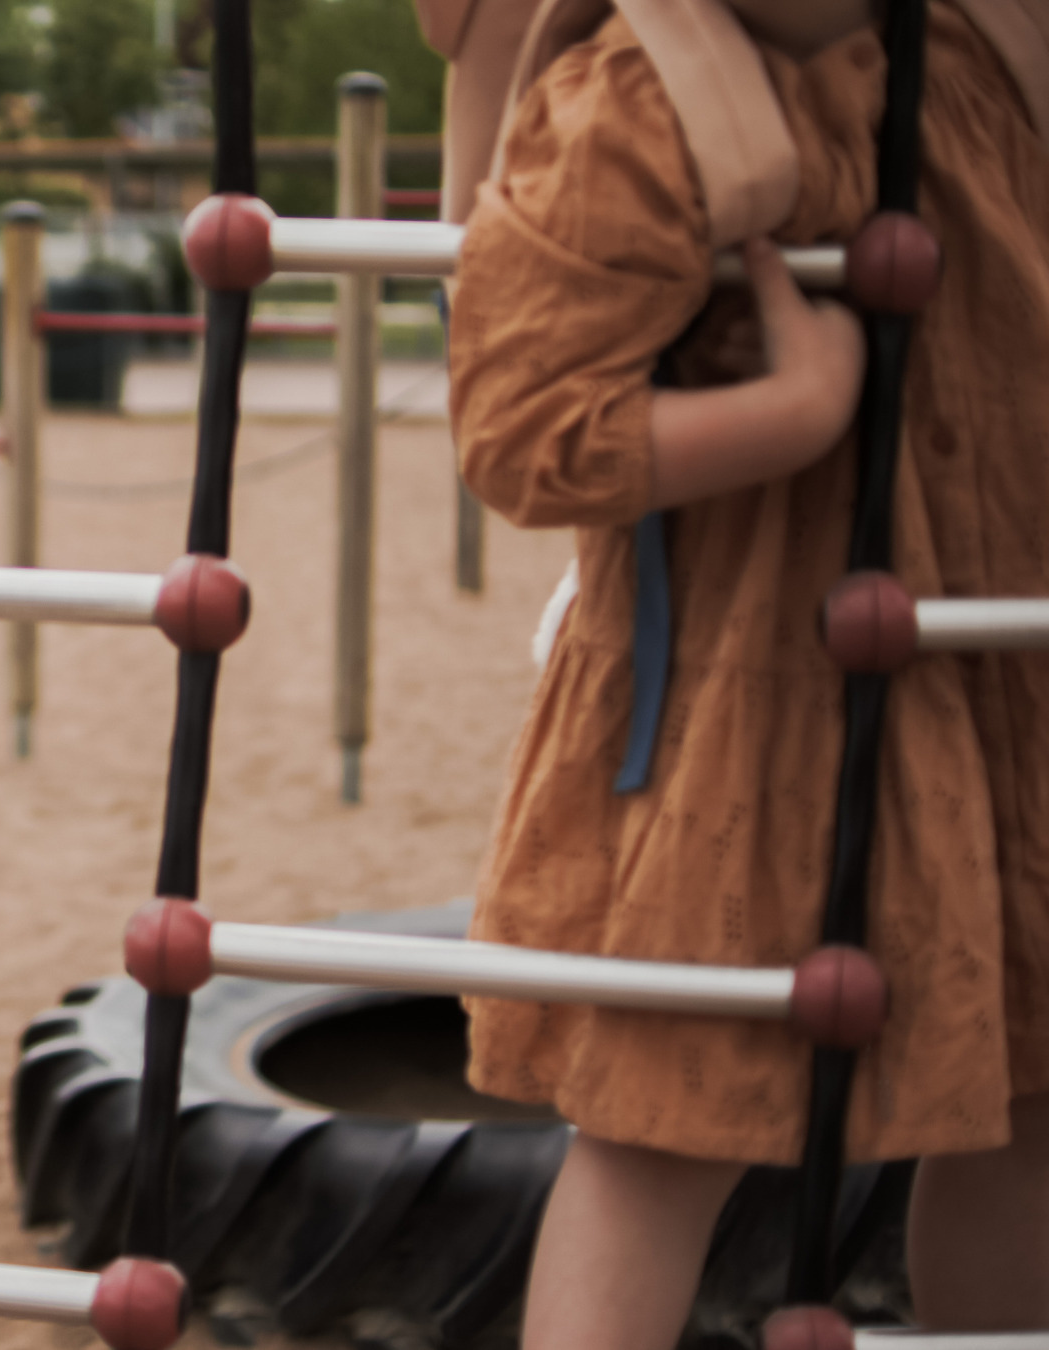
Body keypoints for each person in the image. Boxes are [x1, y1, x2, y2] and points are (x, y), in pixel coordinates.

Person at [448, 0, 1049, 1343]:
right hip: (754, 708)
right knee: (661, 1123)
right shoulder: (652, 87)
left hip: (1005, 663)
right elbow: (522, 429)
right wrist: (793, 411)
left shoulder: (985, 52)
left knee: (1030, 1095)